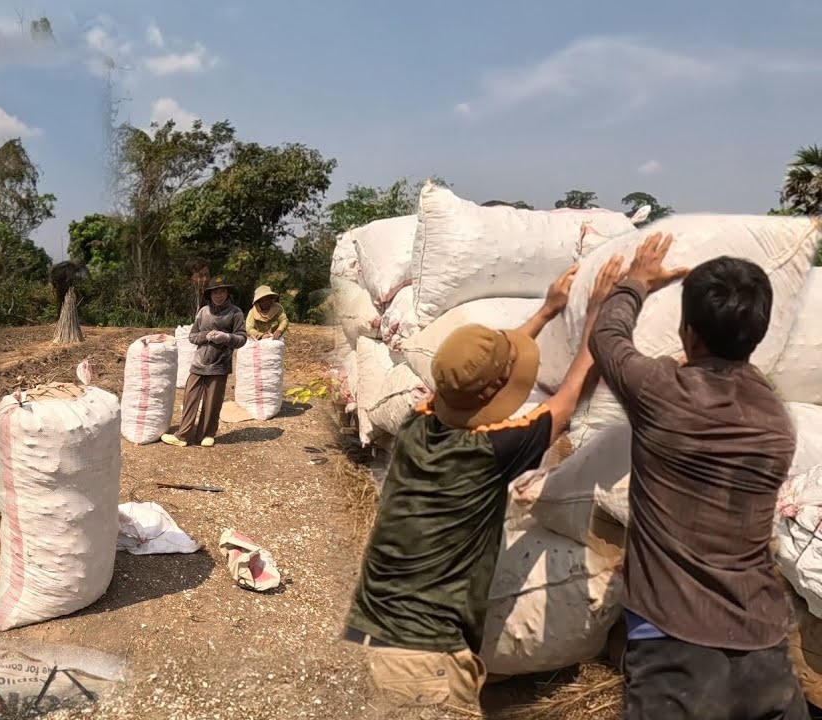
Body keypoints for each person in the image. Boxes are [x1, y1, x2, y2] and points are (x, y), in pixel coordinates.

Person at [345, 258, 624, 711]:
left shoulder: (422, 421)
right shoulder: (492, 452)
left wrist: (549, 309)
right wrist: (597, 313)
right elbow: (568, 397)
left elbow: (474, 377)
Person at [589, 233, 808, 720]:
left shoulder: (661, 392)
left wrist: (636, 282)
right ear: (758, 332)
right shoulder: (776, 421)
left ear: (689, 331)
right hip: (764, 649)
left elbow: (607, 338)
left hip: (675, 652)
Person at [163, 277, 246, 448]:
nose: (219, 295)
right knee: (190, 398)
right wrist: (204, 336)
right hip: (199, 362)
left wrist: (226, 337)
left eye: (222, 291)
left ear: (227, 293)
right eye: (215, 292)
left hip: (219, 364)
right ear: (210, 295)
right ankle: (183, 435)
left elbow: (242, 338)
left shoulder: (235, 313)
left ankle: (206, 434)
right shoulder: (203, 312)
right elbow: (192, 336)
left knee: (213, 400)